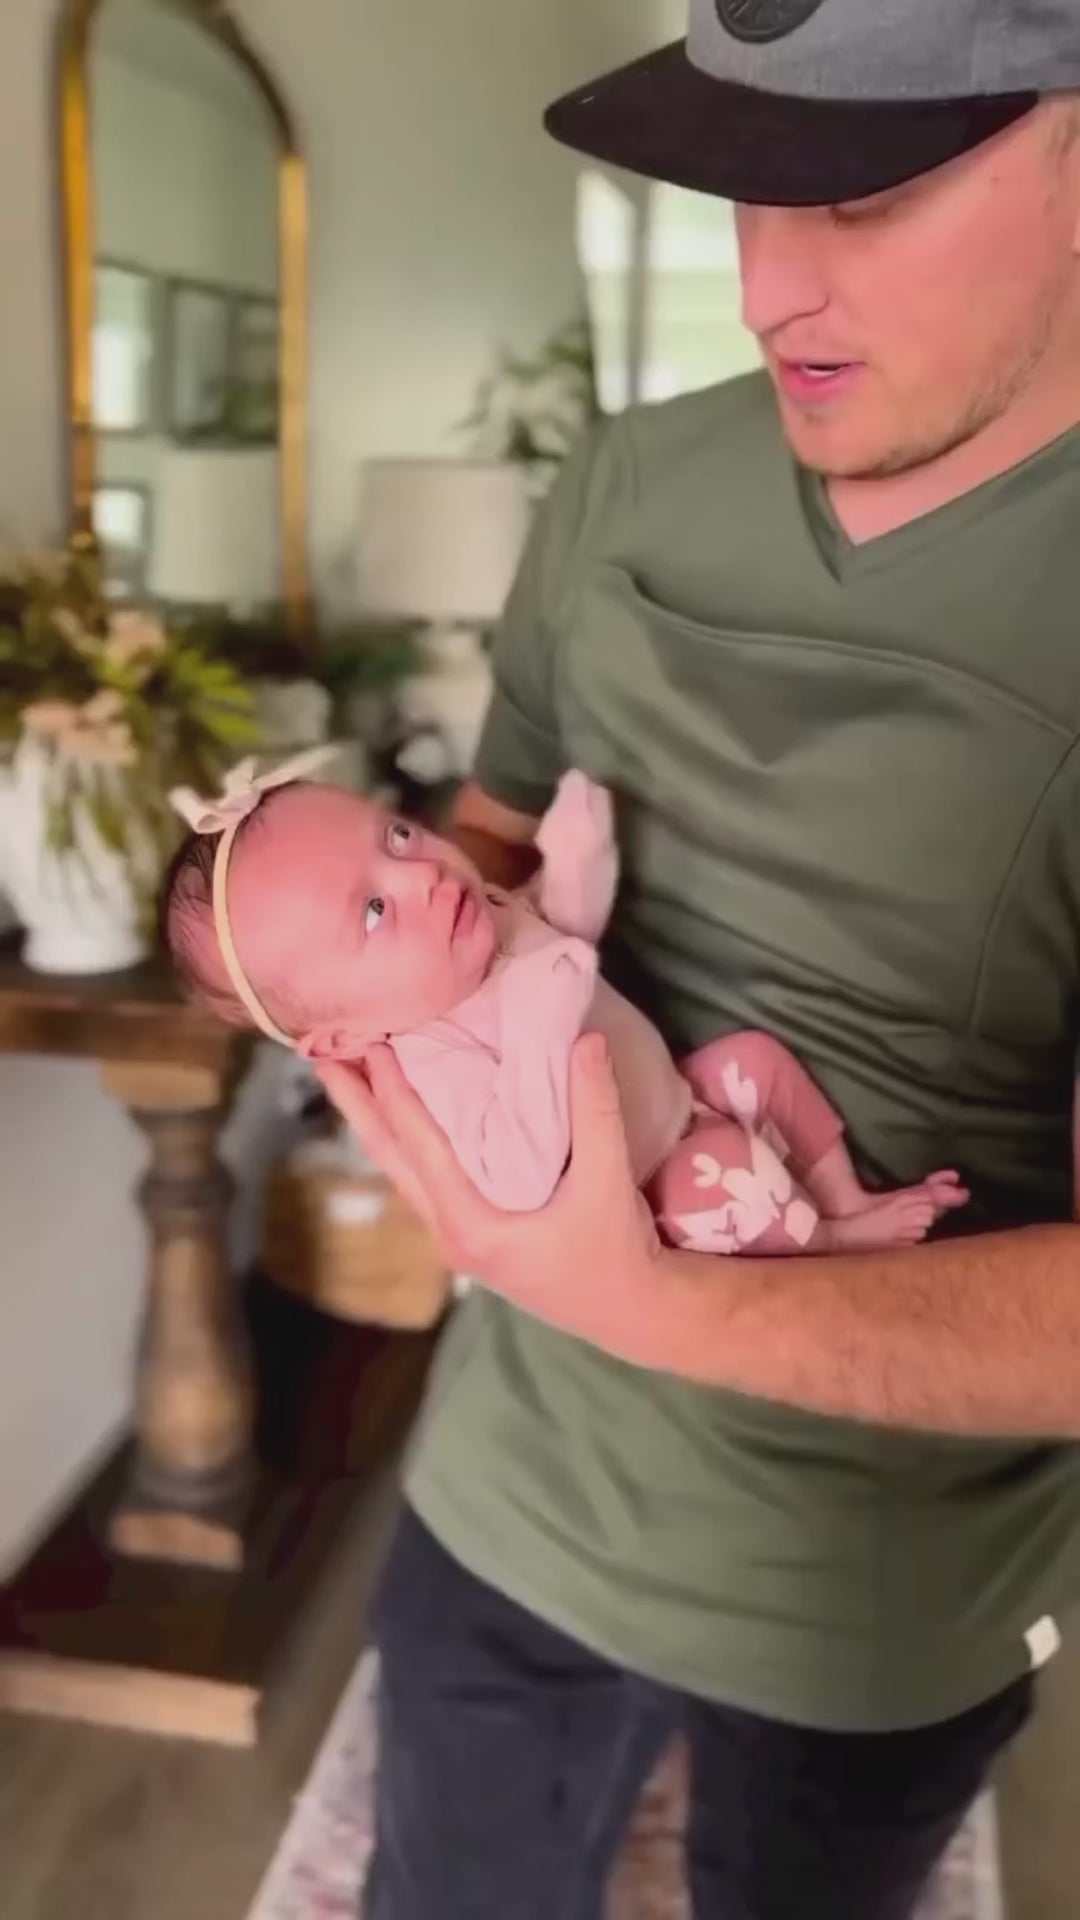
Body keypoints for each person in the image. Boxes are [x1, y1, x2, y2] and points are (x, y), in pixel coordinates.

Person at [318, 2, 1080, 1915]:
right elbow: (488, 842)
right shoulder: (625, 481)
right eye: (742, 185)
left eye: (865, 192)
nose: (766, 290)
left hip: (878, 1593)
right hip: (512, 1481)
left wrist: (644, 1297)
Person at [163, 764, 963, 1251]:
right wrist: (537, 1023)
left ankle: (844, 1196)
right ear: (342, 1036)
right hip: (652, 1185)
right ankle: (828, 1244)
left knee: (756, 1060)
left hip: (677, 1099)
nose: (422, 876)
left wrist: (576, 858)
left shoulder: (480, 916)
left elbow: (564, 931)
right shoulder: (436, 1057)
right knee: (717, 1176)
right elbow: (516, 1175)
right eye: (373, 912)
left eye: (398, 837)